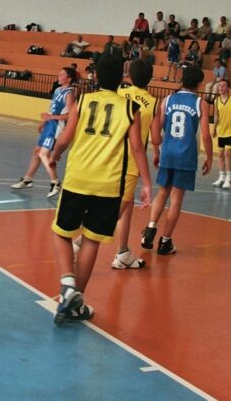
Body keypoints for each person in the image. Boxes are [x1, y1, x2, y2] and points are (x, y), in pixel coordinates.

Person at [47, 54, 153, 326]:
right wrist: (148, 183)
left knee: (61, 233)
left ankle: (67, 285)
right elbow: (138, 148)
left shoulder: (83, 101)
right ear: (121, 78)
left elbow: (66, 137)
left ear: (95, 77)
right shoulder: (130, 108)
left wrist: (55, 154)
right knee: (91, 241)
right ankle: (76, 300)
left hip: (78, 178)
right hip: (108, 184)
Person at [142, 65, 213, 256]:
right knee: (176, 199)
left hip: (168, 153)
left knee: (162, 192)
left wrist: (156, 151)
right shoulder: (201, 104)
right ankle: (165, 242)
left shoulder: (168, 100)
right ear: (199, 83)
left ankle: (150, 227)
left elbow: (157, 128)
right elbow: (206, 135)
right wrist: (210, 157)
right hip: (186, 156)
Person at [112, 59, 158, 270]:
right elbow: (155, 138)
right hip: (131, 161)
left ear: (129, 74)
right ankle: (81, 243)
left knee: (127, 205)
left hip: (111, 155)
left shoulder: (120, 92)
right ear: (150, 78)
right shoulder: (153, 103)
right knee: (118, 208)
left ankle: (123, 252)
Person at [11, 68, 78, 197]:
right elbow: (52, 109)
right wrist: (45, 121)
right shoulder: (58, 90)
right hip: (50, 124)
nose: (59, 75)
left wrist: (51, 118)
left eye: (62, 74)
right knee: (37, 152)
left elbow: (71, 115)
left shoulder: (69, 93)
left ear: (69, 78)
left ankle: (55, 182)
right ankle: (28, 178)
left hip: (57, 127)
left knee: (43, 154)